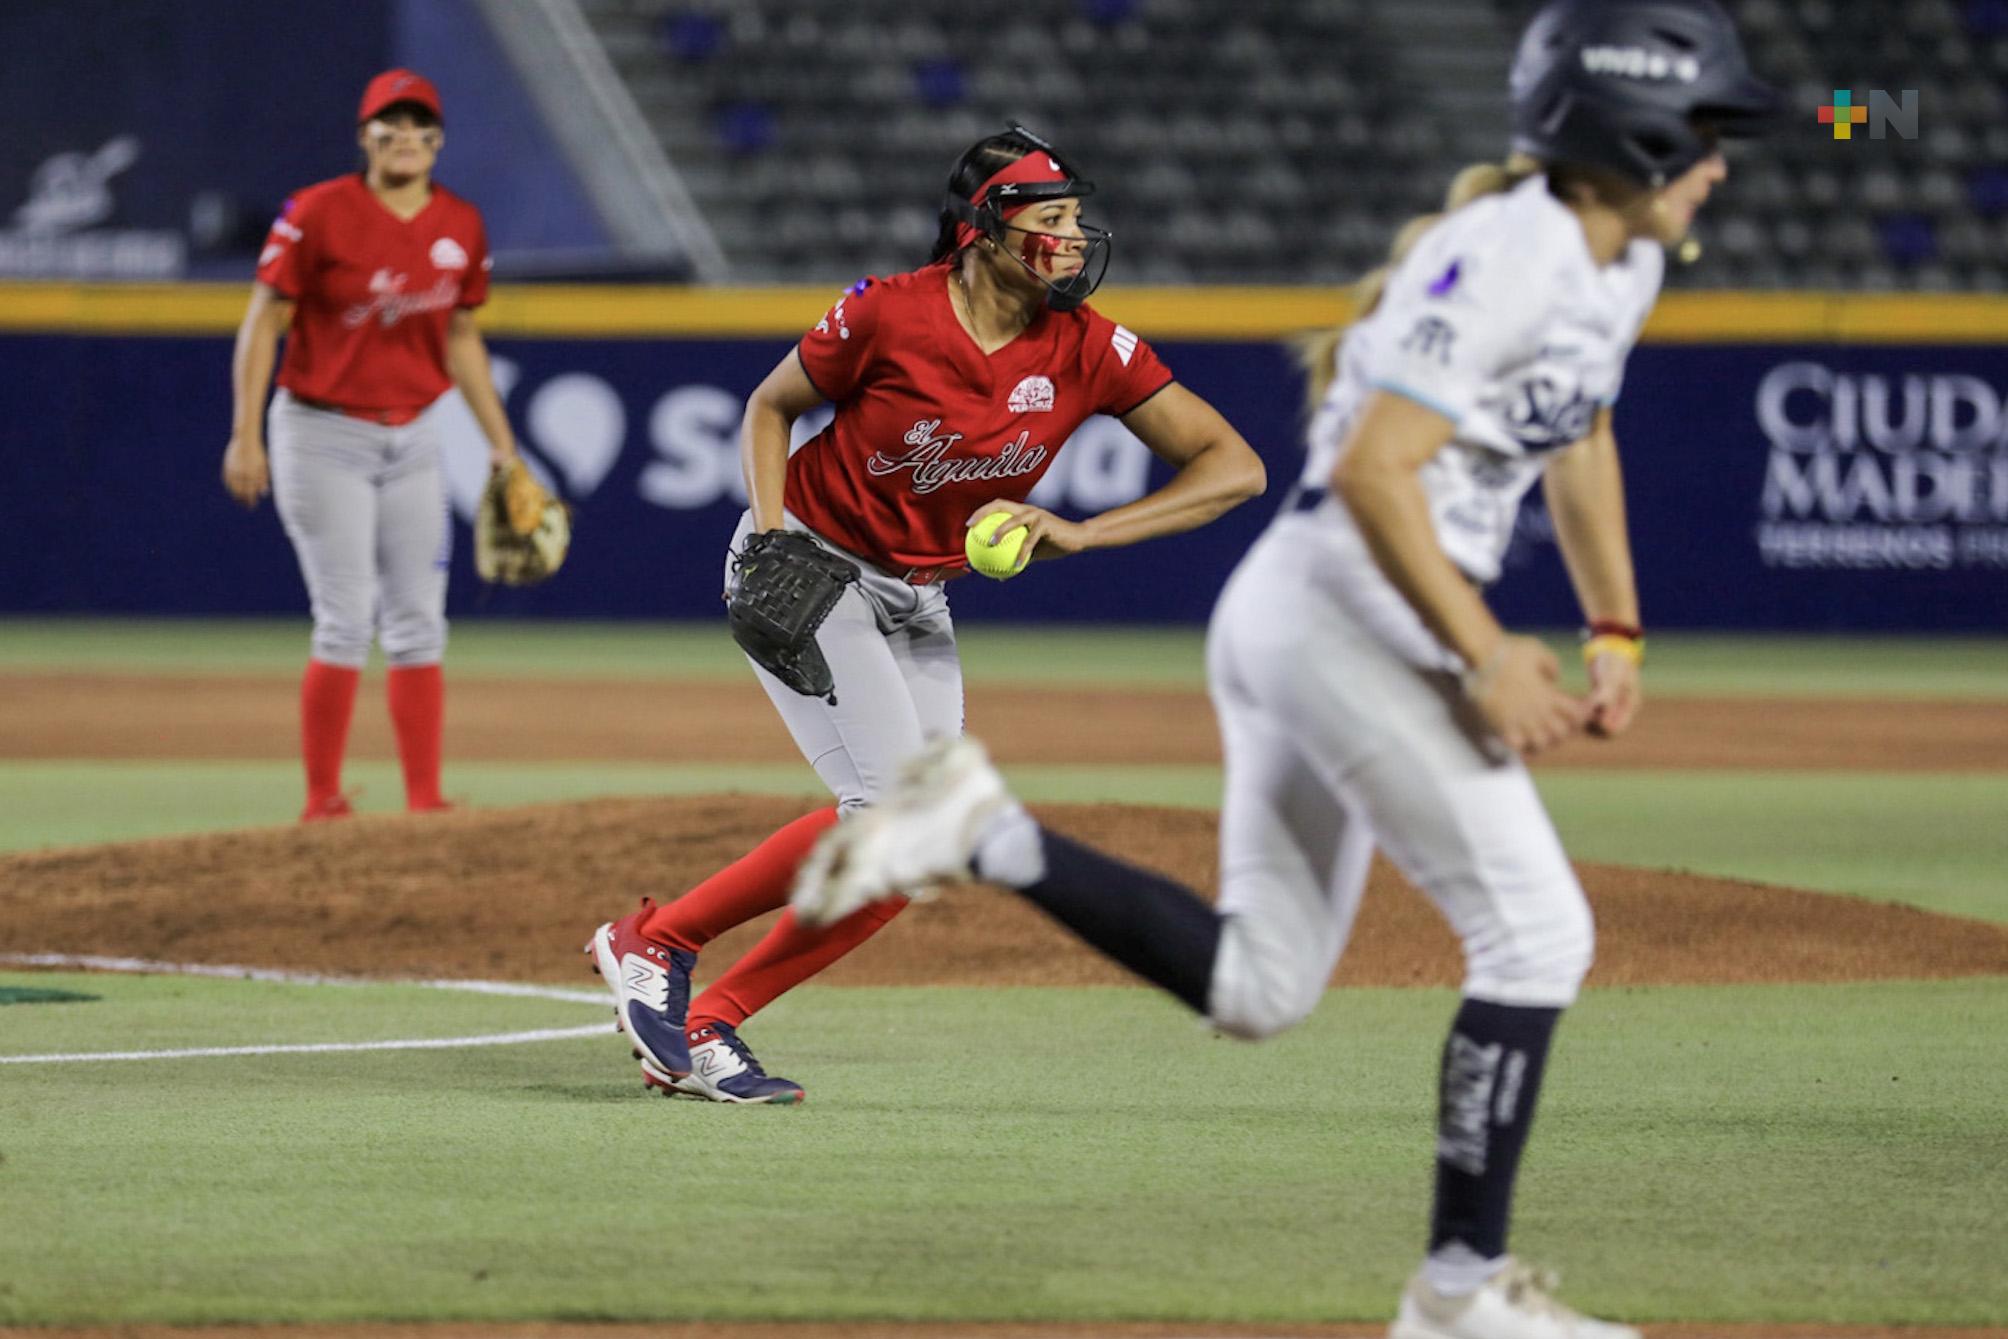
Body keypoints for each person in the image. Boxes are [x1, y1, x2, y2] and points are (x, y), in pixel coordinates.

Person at [794, 4, 1775, 1335]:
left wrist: (1615, 628)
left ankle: (987, 829)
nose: (1720, 164)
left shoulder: (1615, 264)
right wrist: (1483, 653)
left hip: (1329, 615)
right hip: (1346, 615)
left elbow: (1581, 422)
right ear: (1635, 129)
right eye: (1705, 134)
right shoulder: (1516, 255)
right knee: (1539, 932)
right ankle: (1457, 1291)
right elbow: (1374, 469)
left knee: (1262, 985)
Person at [587, 125, 1267, 1104]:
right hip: (810, 566)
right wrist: (773, 530)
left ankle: (710, 1022)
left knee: (919, 848)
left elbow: (1233, 466)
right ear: (986, 231)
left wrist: (1088, 531)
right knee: (897, 812)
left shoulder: (1088, 347)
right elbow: (770, 407)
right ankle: (657, 939)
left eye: (1076, 220)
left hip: (918, 593)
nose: (1073, 239)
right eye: (1051, 220)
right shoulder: (888, 313)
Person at [221, 70, 518, 822]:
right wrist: (244, 432)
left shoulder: (461, 223)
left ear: (439, 139)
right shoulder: (315, 213)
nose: (407, 137)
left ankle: (426, 801)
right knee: (347, 615)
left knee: (421, 617)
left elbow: (460, 335)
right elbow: (264, 321)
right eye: (392, 124)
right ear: (366, 136)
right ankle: (323, 799)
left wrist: (503, 447)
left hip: (416, 432)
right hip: (322, 431)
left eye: (421, 125)